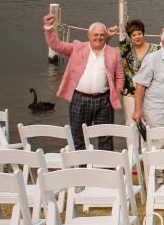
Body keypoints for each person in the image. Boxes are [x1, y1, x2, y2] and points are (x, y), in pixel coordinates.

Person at [43, 13, 122, 151]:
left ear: (106, 36)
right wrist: (49, 27)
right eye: (95, 35)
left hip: (104, 100)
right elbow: (56, 45)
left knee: (105, 139)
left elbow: (120, 76)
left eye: (102, 35)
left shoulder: (113, 52)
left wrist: (116, 93)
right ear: (89, 35)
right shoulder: (77, 48)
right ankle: (81, 169)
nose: (99, 37)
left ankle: (106, 171)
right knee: (78, 138)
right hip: (79, 99)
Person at [116, 19, 159, 126]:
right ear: (130, 37)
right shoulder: (125, 49)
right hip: (130, 93)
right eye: (134, 35)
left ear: (143, 33)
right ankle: (131, 143)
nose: (137, 37)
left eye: (139, 34)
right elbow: (106, 52)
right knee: (131, 123)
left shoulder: (156, 49)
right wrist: (109, 36)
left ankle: (147, 143)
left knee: (148, 123)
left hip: (149, 93)